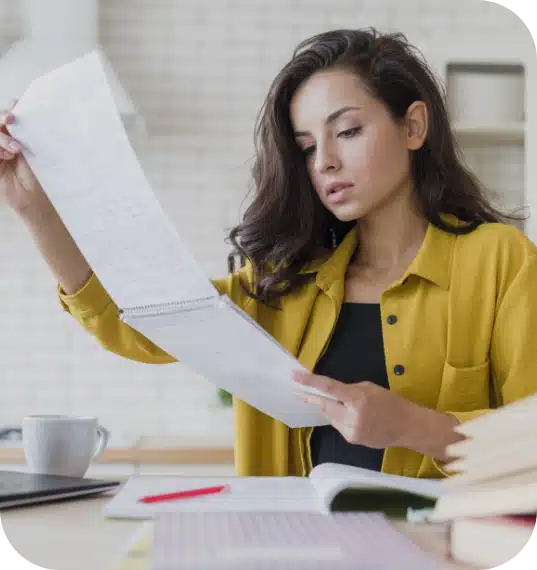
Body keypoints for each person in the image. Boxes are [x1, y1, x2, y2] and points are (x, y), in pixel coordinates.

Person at [1, 28, 536, 479]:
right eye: (306, 147)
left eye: (347, 131)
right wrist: (34, 212)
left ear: (413, 126)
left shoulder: (501, 262)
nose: (324, 161)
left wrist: (411, 426)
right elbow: (138, 326)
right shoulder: (284, 280)